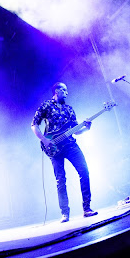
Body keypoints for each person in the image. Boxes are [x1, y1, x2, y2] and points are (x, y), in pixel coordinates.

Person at [31, 82, 98, 223]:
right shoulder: (46, 106)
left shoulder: (69, 109)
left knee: (84, 171)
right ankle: (65, 213)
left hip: (70, 145)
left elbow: (76, 130)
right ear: (56, 91)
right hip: (53, 147)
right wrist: (44, 140)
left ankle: (87, 208)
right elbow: (34, 124)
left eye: (67, 90)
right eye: (64, 90)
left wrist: (86, 128)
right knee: (60, 180)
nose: (67, 92)